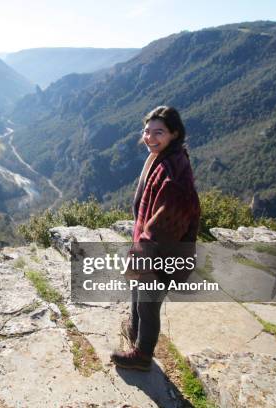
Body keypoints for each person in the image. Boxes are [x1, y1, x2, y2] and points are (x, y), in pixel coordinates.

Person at [110, 106, 201, 371]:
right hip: (151, 247)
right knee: (139, 295)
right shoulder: (165, 158)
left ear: (174, 133)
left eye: (158, 132)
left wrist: (142, 253)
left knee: (148, 303)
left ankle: (142, 355)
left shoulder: (173, 173)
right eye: (147, 131)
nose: (150, 137)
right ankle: (135, 331)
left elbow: (166, 222)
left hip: (161, 252)